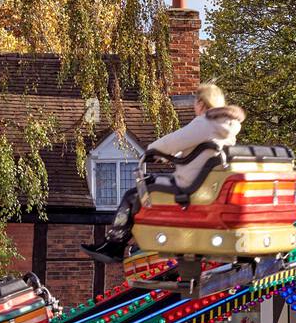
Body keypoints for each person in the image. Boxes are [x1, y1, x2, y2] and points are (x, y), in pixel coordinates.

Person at [81, 83, 245, 263]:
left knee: (133, 195)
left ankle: (114, 245)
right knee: (148, 186)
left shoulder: (205, 122)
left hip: (189, 183)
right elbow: (194, 149)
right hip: (203, 181)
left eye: (196, 102)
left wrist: (152, 151)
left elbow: (170, 142)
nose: (194, 106)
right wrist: (169, 156)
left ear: (202, 102)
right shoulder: (227, 126)